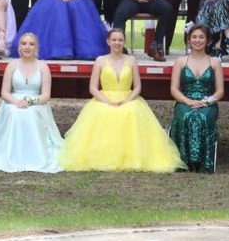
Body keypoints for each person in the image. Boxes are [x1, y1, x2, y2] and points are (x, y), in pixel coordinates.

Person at [60, 28, 185, 172]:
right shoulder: (100, 60)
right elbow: (93, 88)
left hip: (128, 97)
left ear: (124, 42)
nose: (117, 43)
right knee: (103, 112)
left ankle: (132, 156)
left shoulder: (131, 60)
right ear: (108, 41)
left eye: (120, 40)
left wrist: (127, 100)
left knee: (131, 112)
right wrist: (106, 101)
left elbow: (137, 87)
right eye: (114, 40)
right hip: (104, 98)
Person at [0, 32, 64, 173]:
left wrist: (32, 101)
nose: (27, 47)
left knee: (31, 113)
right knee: (14, 112)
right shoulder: (12, 66)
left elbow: (46, 95)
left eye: (31, 44)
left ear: (36, 47)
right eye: (24, 43)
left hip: (36, 103)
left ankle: (36, 157)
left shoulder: (43, 67)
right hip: (13, 101)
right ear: (19, 47)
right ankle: (9, 155)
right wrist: (16, 102)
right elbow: (4, 93)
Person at [168, 25, 223, 173]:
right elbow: (174, 89)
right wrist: (188, 101)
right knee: (186, 116)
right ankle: (185, 161)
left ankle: (203, 162)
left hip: (208, 103)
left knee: (202, 117)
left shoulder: (215, 62)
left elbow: (220, 91)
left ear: (207, 40)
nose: (197, 40)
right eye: (194, 37)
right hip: (185, 101)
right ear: (188, 39)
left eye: (201, 37)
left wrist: (207, 101)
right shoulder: (181, 62)